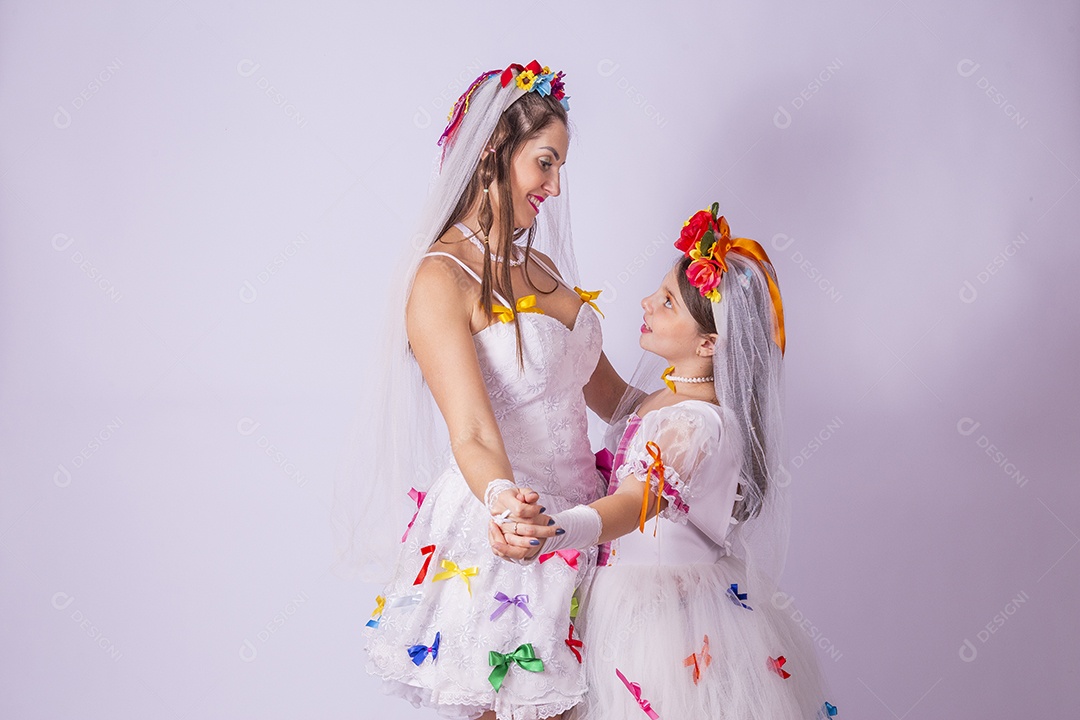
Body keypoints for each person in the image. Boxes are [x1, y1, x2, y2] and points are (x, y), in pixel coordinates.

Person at [332, 61, 627, 720]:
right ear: (494, 150)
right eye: (544, 163)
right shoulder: (441, 278)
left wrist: (702, 396)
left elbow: (611, 397)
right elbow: (470, 431)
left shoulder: (542, 266)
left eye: (559, 168)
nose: (554, 185)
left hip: (590, 521)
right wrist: (505, 505)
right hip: (510, 528)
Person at [491, 205, 838, 719]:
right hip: (624, 599)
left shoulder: (696, 425)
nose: (647, 302)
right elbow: (600, 389)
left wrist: (552, 532)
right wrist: (548, 323)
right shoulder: (664, 402)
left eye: (668, 302)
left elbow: (632, 505)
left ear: (709, 342)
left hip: (662, 618)